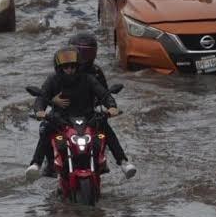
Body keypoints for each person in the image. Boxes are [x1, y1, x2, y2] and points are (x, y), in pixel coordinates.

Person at [25, 46, 136, 181]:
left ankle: (123, 162)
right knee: (46, 129)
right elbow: (41, 97)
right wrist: (40, 111)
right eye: (66, 67)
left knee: (105, 127)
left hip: (88, 118)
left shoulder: (88, 78)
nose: (70, 70)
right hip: (61, 120)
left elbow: (103, 94)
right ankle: (36, 164)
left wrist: (112, 107)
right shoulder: (52, 80)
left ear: (77, 66)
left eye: (72, 67)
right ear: (60, 68)